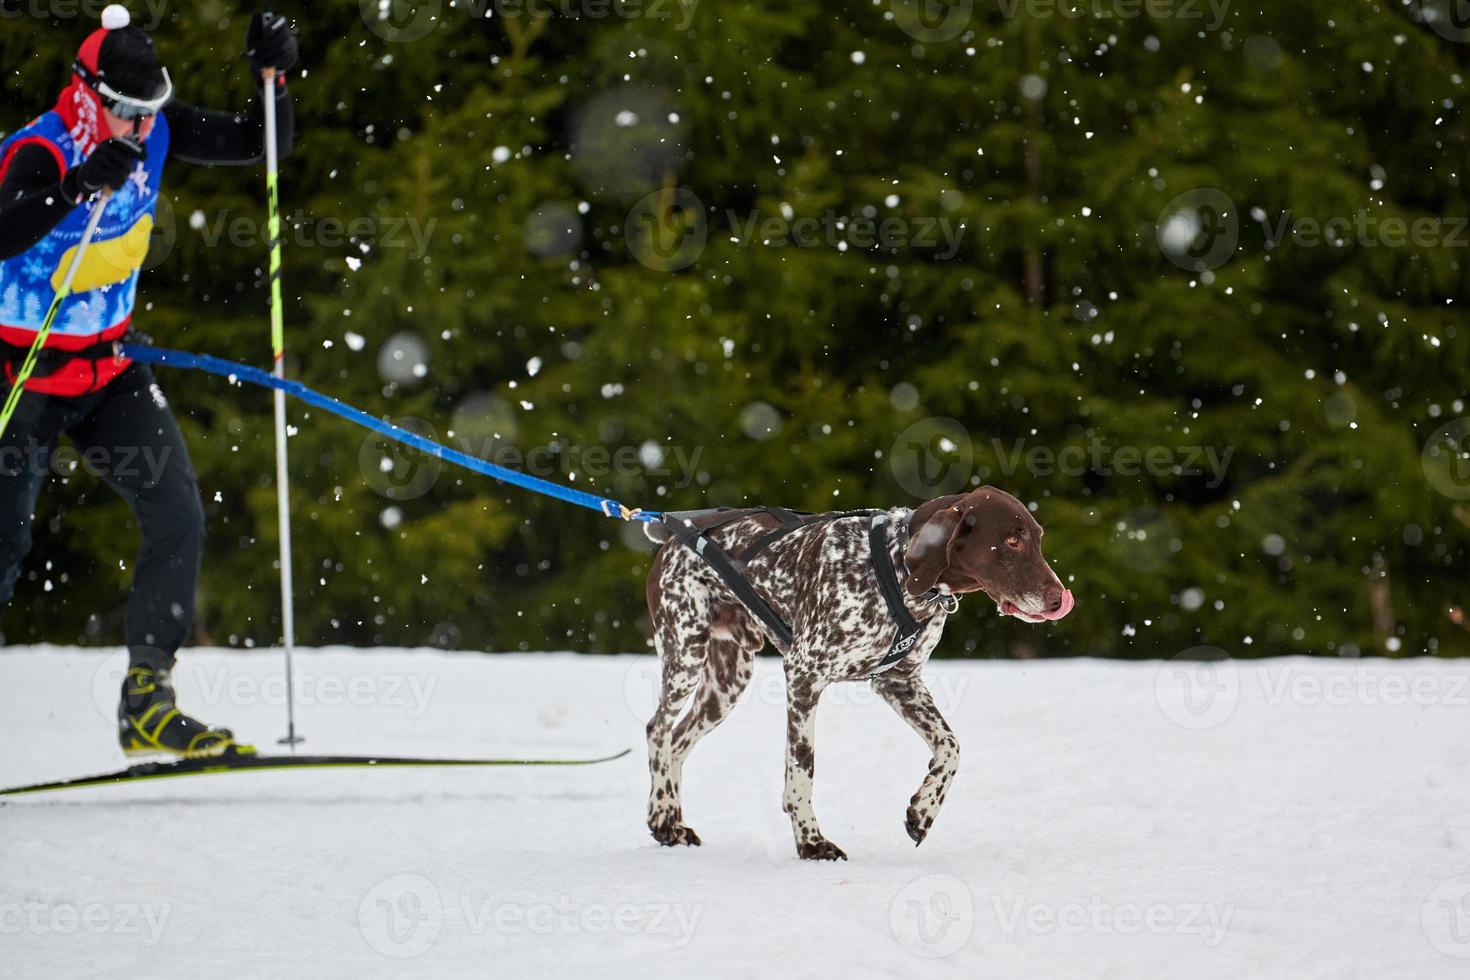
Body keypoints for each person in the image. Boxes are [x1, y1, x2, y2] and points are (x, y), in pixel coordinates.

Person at [0, 5, 298, 758]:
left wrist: (275, 80)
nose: (139, 127)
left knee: (178, 518)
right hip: (22, 373)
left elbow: (262, 146)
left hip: (108, 371)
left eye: (149, 110)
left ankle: (147, 702)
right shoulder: (37, 149)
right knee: (5, 544)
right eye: (126, 112)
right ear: (84, 92)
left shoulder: (154, 130)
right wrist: (72, 188)